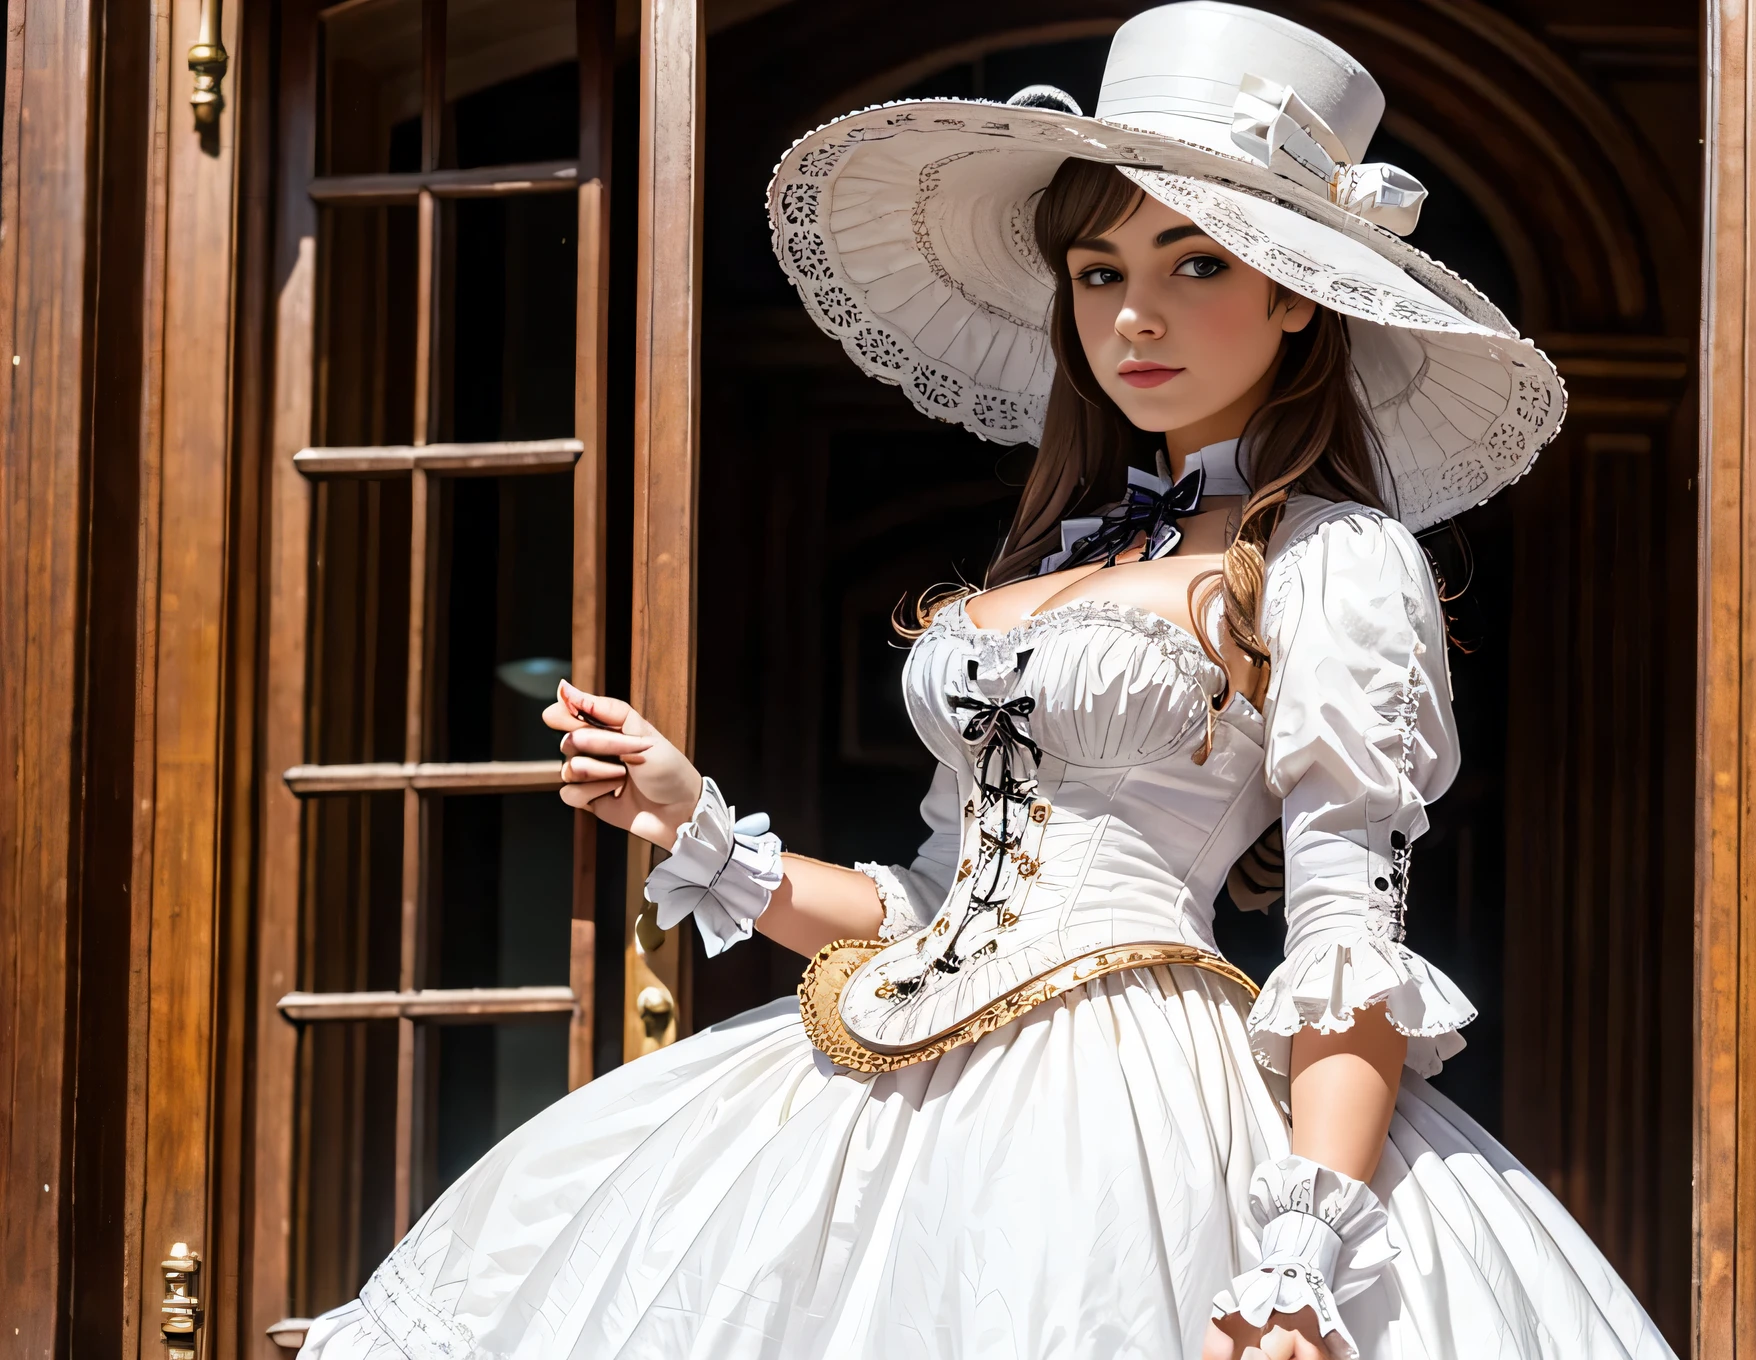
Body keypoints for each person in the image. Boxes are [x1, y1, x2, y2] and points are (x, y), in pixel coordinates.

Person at [303, 5, 1673, 1357]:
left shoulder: (1335, 561)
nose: (1134, 314)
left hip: (1130, 1106)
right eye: (1096, 271)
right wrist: (695, 826)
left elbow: (1344, 938)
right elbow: (929, 903)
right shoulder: (1049, 561)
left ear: (1296, 297)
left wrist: (1302, 1252)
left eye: (1194, 265)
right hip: (889, 1073)